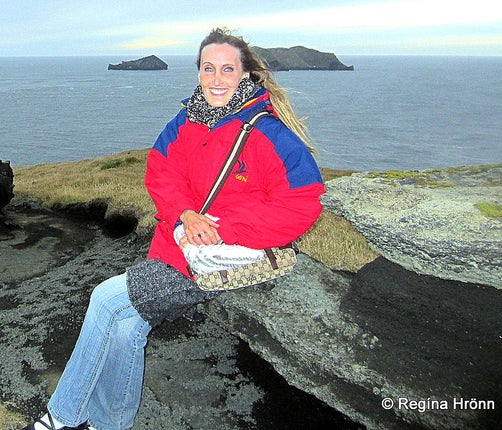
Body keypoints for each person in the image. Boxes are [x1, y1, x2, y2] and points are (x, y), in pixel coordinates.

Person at [21, 27, 325, 430]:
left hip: (220, 259)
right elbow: (161, 168)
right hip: (177, 244)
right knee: (128, 326)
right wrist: (184, 213)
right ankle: (109, 424)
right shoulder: (188, 118)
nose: (217, 79)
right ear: (198, 71)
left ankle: (61, 418)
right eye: (208, 68)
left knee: (107, 300)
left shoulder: (268, 133)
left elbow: (302, 204)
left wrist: (223, 228)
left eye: (228, 70)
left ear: (246, 75)